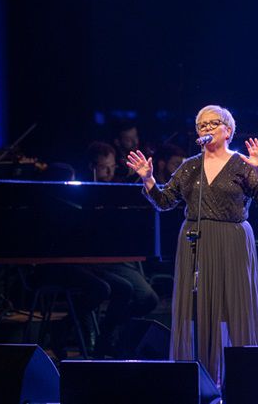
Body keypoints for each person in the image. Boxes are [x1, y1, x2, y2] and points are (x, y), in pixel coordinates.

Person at [127, 105, 258, 385]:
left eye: (213, 123)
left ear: (228, 130)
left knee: (236, 306)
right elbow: (165, 201)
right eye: (201, 125)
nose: (206, 129)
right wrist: (148, 180)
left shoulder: (243, 164)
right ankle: (203, 379)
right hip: (196, 239)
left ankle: (244, 378)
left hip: (232, 239)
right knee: (199, 307)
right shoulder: (190, 166)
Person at [82, 141, 159, 357]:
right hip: (92, 260)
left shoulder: (119, 190)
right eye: (103, 167)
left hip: (118, 258)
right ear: (91, 167)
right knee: (122, 289)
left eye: (112, 167)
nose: (109, 172)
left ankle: (110, 332)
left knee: (148, 299)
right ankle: (105, 339)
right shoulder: (81, 190)